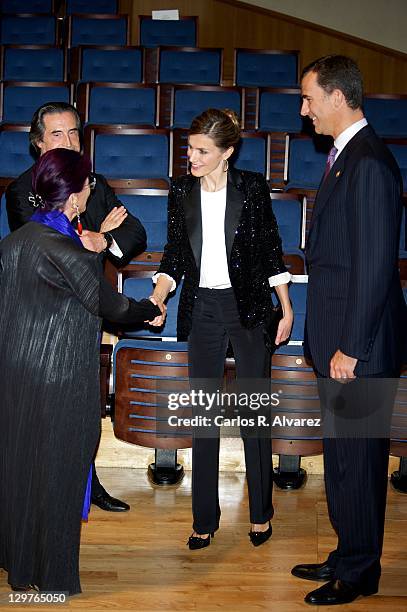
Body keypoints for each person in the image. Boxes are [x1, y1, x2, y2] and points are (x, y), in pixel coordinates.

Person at [0, 148, 160, 595]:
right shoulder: (63, 248)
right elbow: (107, 303)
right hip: (59, 378)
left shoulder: (15, 241)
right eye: (87, 184)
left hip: (14, 377)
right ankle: (50, 576)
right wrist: (149, 308)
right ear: (72, 196)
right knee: (58, 472)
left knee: (19, 467)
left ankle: (17, 562)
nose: (92, 190)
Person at [291, 55, 407, 606]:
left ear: (339, 97)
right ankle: (346, 553)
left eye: (310, 98)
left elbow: (375, 266)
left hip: (357, 349)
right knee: (342, 460)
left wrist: (351, 349)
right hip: (340, 343)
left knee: (359, 465)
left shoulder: (369, 164)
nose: (304, 109)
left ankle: (361, 572)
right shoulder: (346, 158)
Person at [149, 109, 293, 549]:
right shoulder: (180, 191)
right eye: (190, 148)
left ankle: (260, 513)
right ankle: (204, 519)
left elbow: (271, 248)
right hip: (203, 307)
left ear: (227, 153)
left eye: (201, 151)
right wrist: (158, 297)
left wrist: (284, 309)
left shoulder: (250, 187)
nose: (191, 157)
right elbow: (174, 254)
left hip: (247, 306)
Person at [6, 101, 147, 513]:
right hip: (45, 321)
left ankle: (90, 481)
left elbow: (134, 230)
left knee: (85, 409)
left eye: (73, 134)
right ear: (37, 143)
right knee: (49, 417)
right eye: (56, 134)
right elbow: (49, 244)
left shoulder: (92, 182)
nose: (68, 142)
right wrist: (88, 236)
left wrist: (102, 240)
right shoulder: (21, 191)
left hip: (89, 311)